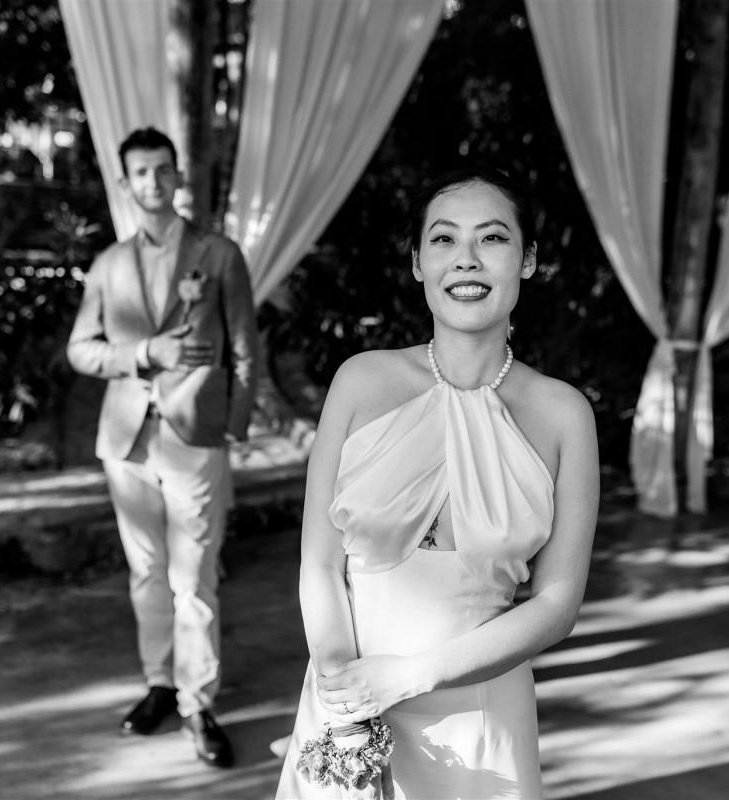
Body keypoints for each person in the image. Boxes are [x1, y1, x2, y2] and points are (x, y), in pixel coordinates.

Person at [275, 166, 599, 798]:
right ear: (418, 262)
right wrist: (347, 705)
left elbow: (557, 605)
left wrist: (409, 676)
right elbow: (319, 563)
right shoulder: (361, 382)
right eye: (444, 239)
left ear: (528, 259)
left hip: (480, 716)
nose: (466, 259)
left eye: (493, 238)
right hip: (346, 701)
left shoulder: (564, 414)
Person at [66, 126, 257, 768]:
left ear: (178, 176)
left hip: (195, 436)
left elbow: (245, 347)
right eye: (141, 172)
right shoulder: (107, 265)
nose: (153, 181)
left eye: (163, 169)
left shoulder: (218, 253)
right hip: (125, 442)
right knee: (145, 572)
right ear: (126, 184)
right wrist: (145, 351)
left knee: (193, 578)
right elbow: (81, 349)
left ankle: (197, 703)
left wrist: (233, 425)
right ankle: (159, 684)